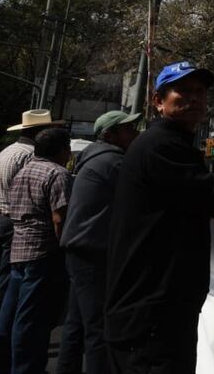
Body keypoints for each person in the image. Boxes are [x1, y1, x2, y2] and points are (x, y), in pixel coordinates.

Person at [105, 61, 214, 373]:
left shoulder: (173, 143)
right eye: (183, 91)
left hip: (162, 309)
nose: (194, 98)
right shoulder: (160, 145)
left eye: (200, 92)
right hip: (151, 316)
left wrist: (205, 208)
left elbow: (182, 199)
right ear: (158, 101)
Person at [55, 110, 141, 374]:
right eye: (128, 129)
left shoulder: (92, 157)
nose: (135, 133)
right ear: (109, 135)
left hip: (80, 250)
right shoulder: (113, 162)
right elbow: (146, 198)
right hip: (94, 253)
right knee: (99, 329)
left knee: (77, 323)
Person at [0, 109, 62, 361]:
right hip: (19, 223)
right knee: (10, 289)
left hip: (2, 219)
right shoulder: (29, 156)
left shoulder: (8, 152)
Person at [0, 127, 72, 374]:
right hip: (43, 252)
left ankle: (4, 365)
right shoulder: (58, 173)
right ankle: (25, 368)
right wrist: (64, 248)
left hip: (19, 249)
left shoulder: (24, 170)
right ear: (61, 150)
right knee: (31, 320)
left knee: (11, 313)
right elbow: (59, 218)